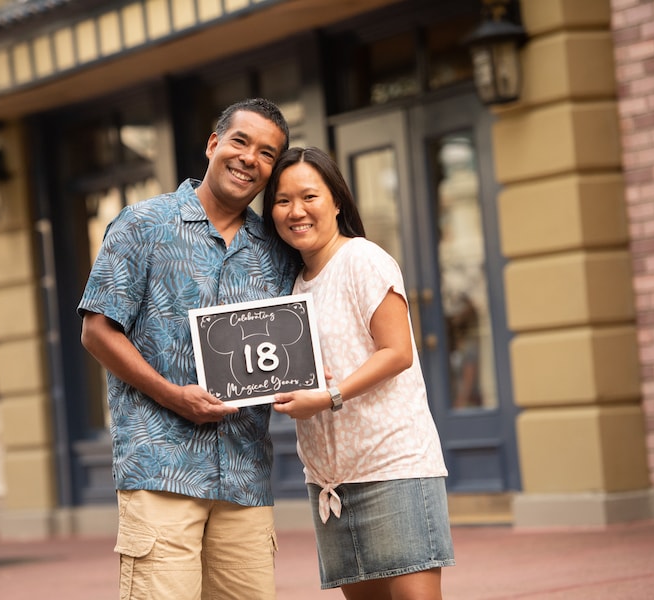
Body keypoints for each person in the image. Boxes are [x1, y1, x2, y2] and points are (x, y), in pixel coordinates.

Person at [77, 98, 297, 600]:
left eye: (266, 153)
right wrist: (175, 396)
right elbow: (97, 331)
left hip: (244, 476)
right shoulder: (143, 225)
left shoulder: (274, 249)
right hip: (161, 468)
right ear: (214, 144)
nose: (249, 158)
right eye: (240, 141)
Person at [262, 147, 455, 600]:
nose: (296, 211)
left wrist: (328, 396)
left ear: (336, 201)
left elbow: (398, 352)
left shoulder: (363, 259)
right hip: (331, 483)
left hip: (392, 467)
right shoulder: (294, 284)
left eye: (309, 196)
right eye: (282, 200)